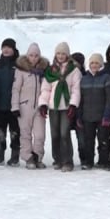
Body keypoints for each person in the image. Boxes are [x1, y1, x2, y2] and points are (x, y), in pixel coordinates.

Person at [39, 42, 82, 172]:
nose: (61, 56)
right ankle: (57, 159)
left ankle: (67, 161)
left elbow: (75, 89)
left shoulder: (74, 70)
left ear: (68, 55)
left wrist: (73, 105)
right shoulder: (51, 70)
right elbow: (46, 89)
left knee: (64, 134)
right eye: (58, 53)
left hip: (67, 107)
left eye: (63, 53)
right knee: (55, 134)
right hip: (54, 107)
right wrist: (43, 104)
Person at [12, 43, 49, 169]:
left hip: (39, 107)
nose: (34, 58)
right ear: (27, 56)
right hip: (24, 106)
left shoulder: (43, 71)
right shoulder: (21, 70)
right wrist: (15, 106)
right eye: (31, 55)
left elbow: (47, 88)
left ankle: (38, 156)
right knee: (25, 133)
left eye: (36, 55)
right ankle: (28, 157)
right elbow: (16, 89)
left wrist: (45, 104)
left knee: (40, 135)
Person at [77, 53, 110, 169]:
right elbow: (80, 100)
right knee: (88, 140)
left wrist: (108, 115)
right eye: (92, 63)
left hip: (102, 116)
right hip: (87, 116)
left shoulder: (106, 78)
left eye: (97, 63)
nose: (94, 65)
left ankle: (104, 161)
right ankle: (88, 161)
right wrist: (79, 116)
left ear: (101, 65)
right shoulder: (84, 79)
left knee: (103, 140)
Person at [0, 38, 20, 165]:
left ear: (14, 50)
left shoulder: (20, 65)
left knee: (15, 132)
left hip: (15, 105)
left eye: (9, 47)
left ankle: (15, 156)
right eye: (4, 47)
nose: (6, 50)